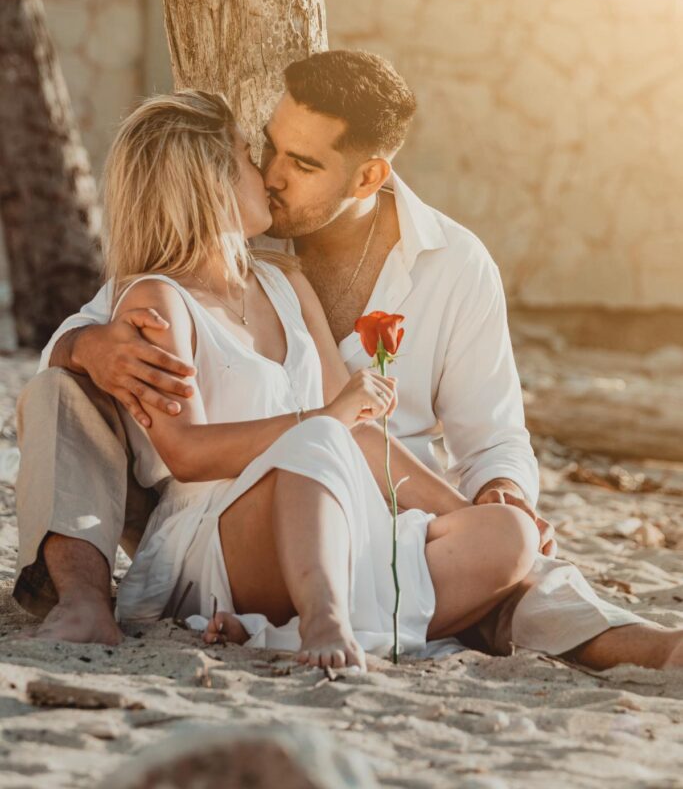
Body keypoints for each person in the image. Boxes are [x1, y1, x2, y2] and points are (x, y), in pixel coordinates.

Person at [15, 52, 683, 670]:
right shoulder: (168, 292)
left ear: (367, 176)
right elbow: (156, 401)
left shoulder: (416, 270)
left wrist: (478, 508)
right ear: (207, 183)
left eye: (300, 165)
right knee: (307, 442)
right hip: (227, 524)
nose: (272, 174)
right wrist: (83, 346)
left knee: (505, 539)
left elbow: (452, 431)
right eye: (263, 150)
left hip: (372, 511)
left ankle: (277, 629)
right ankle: (315, 620)